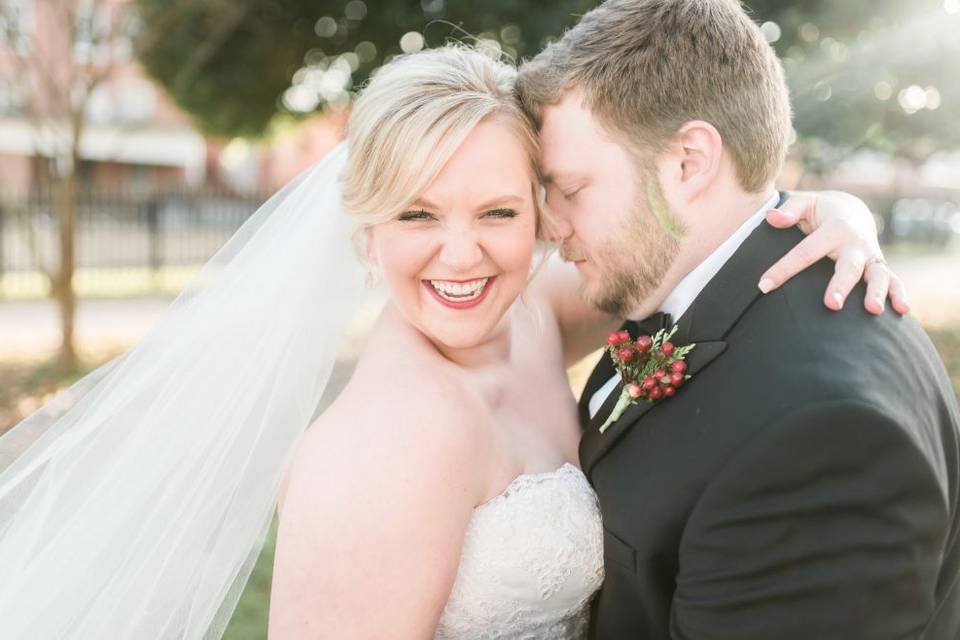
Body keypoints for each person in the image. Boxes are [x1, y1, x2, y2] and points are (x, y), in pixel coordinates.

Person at [268, 45, 909, 639]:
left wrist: (833, 211)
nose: (462, 257)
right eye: (417, 214)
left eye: (498, 212)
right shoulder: (374, 451)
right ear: (367, 230)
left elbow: (698, 244)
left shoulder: (529, 315)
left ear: (543, 214)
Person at [515, 1, 960, 638]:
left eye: (572, 189)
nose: (550, 224)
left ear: (689, 162)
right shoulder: (679, 283)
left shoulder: (822, 436)